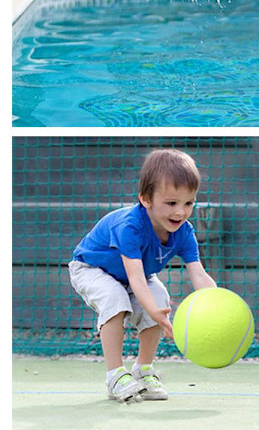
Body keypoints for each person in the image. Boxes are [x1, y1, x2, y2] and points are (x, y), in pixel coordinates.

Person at [69, 148, 216, 402]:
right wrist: (156, 313)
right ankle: (115, 375)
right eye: (171, 203)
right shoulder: (130, 226)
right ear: (146, 199)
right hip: (92, 269)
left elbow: (199, 274)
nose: (180, 212)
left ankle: (143, 370)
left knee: (158, 297)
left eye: (188, 203)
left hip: (130, 276)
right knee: (116, 298)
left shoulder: (184, 231)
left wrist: (218, 305)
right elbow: (136, 278)